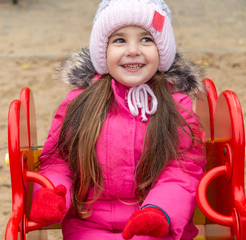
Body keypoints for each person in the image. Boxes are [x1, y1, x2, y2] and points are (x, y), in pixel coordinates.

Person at [29, 0, 207, 239]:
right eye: (119, 40)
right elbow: (59, 161)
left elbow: (182, 170)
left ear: (162, 50)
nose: (133, 50)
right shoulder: (79, 103)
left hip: (155, 225)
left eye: (146, 39)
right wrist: (53, 192)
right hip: (89, 226)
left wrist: (160, 212)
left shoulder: (177, 107)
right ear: (103, 51)